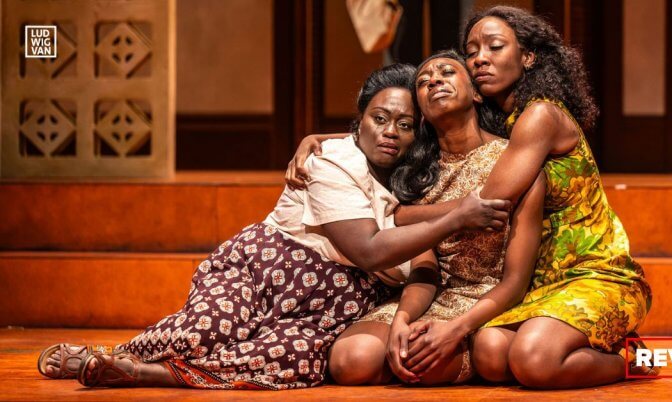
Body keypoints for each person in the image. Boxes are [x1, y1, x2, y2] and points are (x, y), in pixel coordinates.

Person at [36, 64, 511, 390]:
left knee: (294, 359)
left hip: (335, 303)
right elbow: (367, 249)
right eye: (379, 119)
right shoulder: (330, 160)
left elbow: (419, 260)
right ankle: (112, 354)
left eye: (405, 125)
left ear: (417, 134)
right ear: (359, 121)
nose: (390, 132)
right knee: (210, 328)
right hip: (266, 269)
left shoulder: (414, 180)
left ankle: (144, 374)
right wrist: (456, 215)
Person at [286, 50, 546, 386]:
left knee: (438, 358)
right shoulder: (413, 170)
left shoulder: (515, 159)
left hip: (489, 298)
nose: (434, 80)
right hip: (428, 293)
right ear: (421, 112)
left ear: (476, 93)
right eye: (423, 81)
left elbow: (516, 279)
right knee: (352, 359)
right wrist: (402, 318)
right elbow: (424, 263)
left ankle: (477, 348)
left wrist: (455, 329)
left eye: (447, 72)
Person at [456, 6, 653, 388]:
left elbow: (488, 201)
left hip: (597, 276)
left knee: (533, 360)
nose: (479, 58)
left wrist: (402, 215)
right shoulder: (508, 123)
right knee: (490, 355)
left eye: (494, 46)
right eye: (471, 51)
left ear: (528, 57)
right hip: (542, 284)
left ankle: (636, 359)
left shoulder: (541, 115)